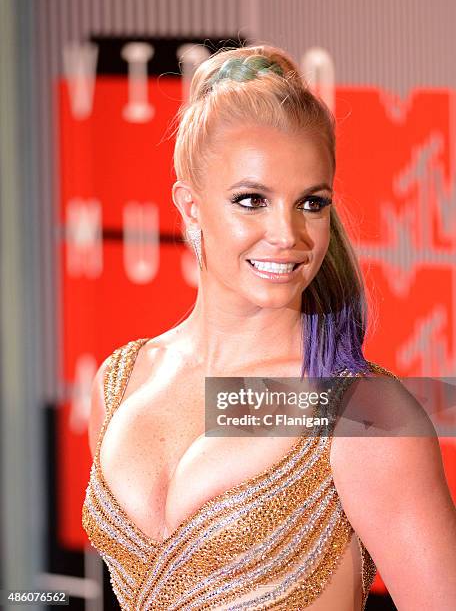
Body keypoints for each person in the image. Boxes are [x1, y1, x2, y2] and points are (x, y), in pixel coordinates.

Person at [82, 44, 456, 610]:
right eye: (251, 200)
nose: (287, 234)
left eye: (311, 203)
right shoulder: (121, 381)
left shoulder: (363, 414)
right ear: (190, 207)